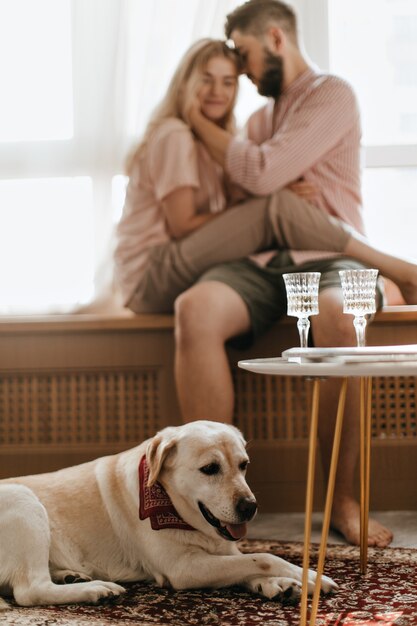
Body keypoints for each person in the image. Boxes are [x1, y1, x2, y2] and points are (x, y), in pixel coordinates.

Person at [114, 32, 416, 547]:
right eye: (209, 79)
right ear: (185, 83)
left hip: (329, 258)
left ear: (271, 41)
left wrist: (269, 190)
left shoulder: (327, 96)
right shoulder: (222, 131)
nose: (230, 85)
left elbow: (258, 177)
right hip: (227, 266)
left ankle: (342, 499)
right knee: (199, 305)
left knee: (338, 314)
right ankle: (202, 506)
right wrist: (269, 197)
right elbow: (233, 203)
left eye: (234, 75)